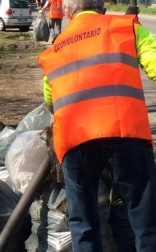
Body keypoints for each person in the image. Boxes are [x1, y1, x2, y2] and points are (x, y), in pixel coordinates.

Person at [38, 0, 156, 250]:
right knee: (145, 220)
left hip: (75, 139)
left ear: (68, 13)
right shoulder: (126, 27)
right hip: (126, 132)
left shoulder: (56, 47)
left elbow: (49, 97)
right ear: (102, 7)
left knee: (83, 221)